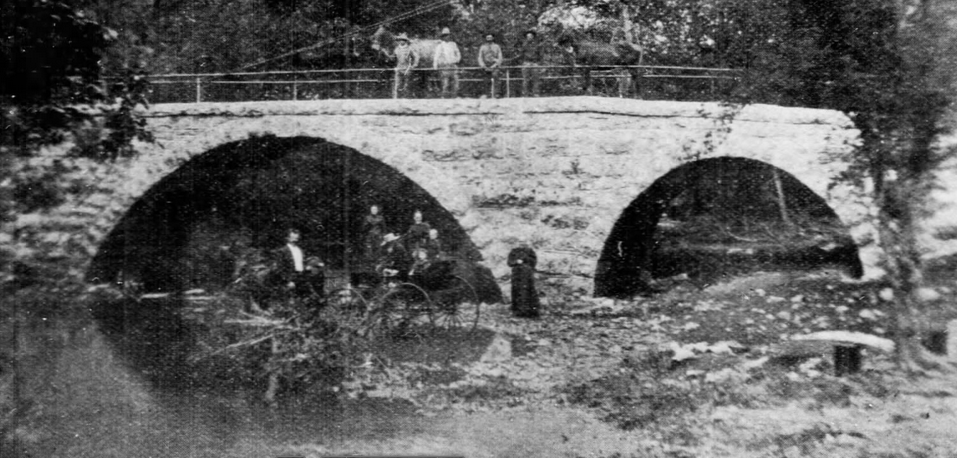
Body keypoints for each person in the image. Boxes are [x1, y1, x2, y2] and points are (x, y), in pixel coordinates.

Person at [271, 228, 311, 300]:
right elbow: (279, 268)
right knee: (289, 300)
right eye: (293, 237)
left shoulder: (300, 250)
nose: (295, 239)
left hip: (301, 277)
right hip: (289, 278)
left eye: (297, 237)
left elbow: (302, 264)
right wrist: (288, 281)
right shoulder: (282, 251)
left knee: (304, 299)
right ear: (287, 238)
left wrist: (306, 268)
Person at [507, 245, 540, 318]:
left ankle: (530, 311)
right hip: (516, 274)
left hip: (527, 275)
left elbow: (534, 262)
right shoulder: (514, 251)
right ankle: (518, 311)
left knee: (528, 291)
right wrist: (516, 262)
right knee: (517, 291)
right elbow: (509, 262)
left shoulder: (529, 251)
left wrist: (525, 260)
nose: (521, 242)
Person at [433, 27, 461, 98]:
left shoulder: (453, 44)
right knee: (445, 83)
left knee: (455, 82)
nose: (446, 37)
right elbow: (436, 56)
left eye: (447, 35)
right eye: (445, 36)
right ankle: (444, 97)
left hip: (453, 65)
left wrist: (457, 60)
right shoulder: (440, 45)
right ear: (442, 37)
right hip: (445, 66)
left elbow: (458, 53)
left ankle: (454, 96)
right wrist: (435, 66)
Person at [392, 33, 419, 98]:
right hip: (399, 68)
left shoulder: (409, 49)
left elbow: (416, 57)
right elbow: (394, 58)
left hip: (407, 69)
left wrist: (414, 65)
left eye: (403, 40)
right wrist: (394, 66)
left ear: (406, 41)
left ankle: (407, 99)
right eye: (400, 40)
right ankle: (397, 99)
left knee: (407, 85)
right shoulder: (397, 49)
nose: (401, 41)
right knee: (398, 85)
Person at [477, 32, 504, 98]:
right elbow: (480, 57)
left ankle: (497, 93)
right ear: (486, 39)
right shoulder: (483, 47)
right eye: (487, 38)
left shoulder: (497, 46)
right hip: (486, 65)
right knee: (486, 80)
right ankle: (487, 94)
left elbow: (500, 57)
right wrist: (483, 65)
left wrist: (495, 65)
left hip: (494, 65)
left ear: (493, 38)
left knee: (496, 77)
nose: (489, 39)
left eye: (490, 38)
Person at [517, 30, 543, 97]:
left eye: (531, 36)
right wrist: (523, 62)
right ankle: (525, 93)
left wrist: (538, 62)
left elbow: (540, 55)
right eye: (528, 36)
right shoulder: (524, 45)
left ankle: (536, 93)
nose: (529, 37)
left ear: (533, 37)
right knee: (525, 79)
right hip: (526, 63)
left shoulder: (537, 45)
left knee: (536, 78)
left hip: (534, 63)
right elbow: (521, 54)